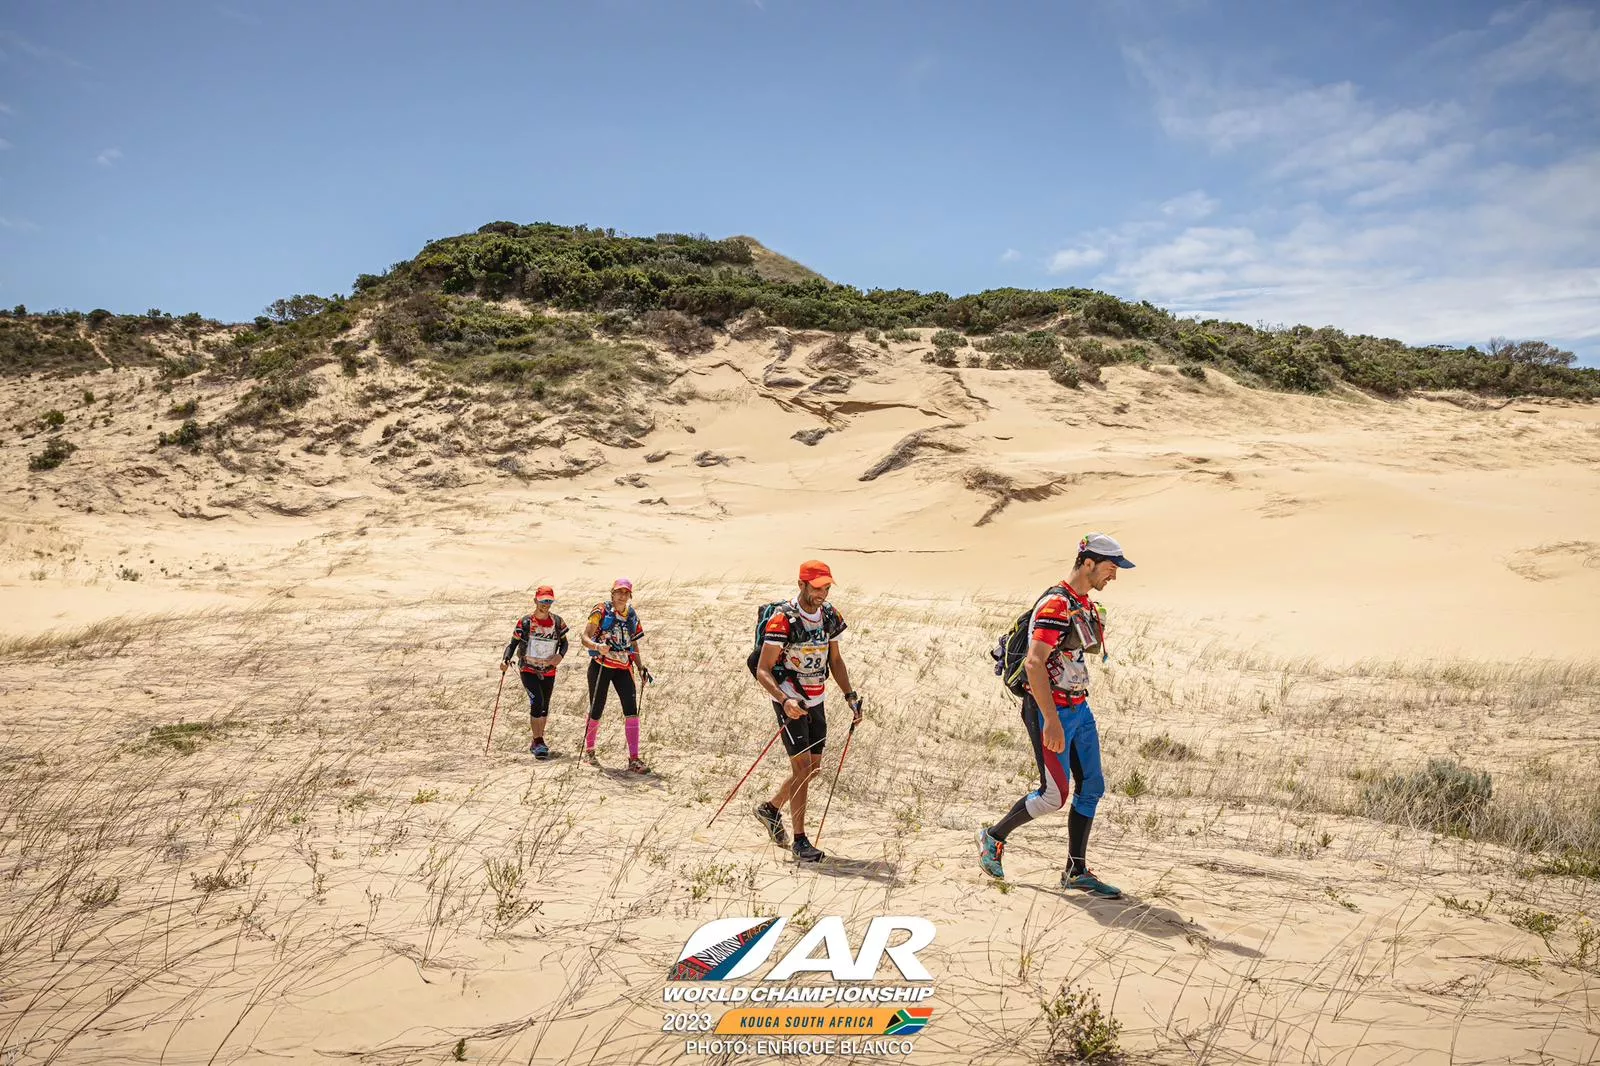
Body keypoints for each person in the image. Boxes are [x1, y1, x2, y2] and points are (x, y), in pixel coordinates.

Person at [977, 533, 1134, 899]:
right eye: (1111, 568)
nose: (1114, 577)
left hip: (1079, 707)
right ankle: (994, 837)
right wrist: (1049, 719)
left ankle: (1076, 870)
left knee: (1091, 787)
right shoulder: (1055, 605)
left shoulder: (1082, 603)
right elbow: (1034, 663)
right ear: (1089, 563)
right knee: (1053, 795)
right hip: (1053, 710)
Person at [751, 560, 863, 863]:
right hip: (790, 702)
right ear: (801, 584)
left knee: (813, 769)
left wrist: (849, 695)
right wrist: (784, 700)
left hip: (817, 698)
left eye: (826, 587)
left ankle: (770, 809)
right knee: (801, 769)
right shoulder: (782, 620)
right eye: (817, 587)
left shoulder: (829, 615)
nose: (822, 593)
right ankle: (800, 841)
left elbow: (836, 661)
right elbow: (763, 669)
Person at [580, 578, 652, 772]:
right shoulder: (600, 610)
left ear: (630, 596)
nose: (622, 595)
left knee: (631, 711)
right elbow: (584, 637)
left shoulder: (632, 615)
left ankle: (634, 758)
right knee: (597, 708)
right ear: (612, 593)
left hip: (623, 667)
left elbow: (634, 643)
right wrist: (597, 647)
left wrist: (640, 666)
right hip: (601, 665)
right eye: (619, 592)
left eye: (626, 593)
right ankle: (590, 751)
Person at [501, 586, 569, 760]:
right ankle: (538, 741)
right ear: (535, 600)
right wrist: (505, 659)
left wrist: (560, 656)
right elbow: (513, 644)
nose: (545, 604)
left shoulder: (558, 622)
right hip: (528, 668)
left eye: (549, 601)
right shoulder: (525, 622)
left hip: (548, 670)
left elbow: (564, 643)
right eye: (543, 600)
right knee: (536, 701)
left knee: (545, 705)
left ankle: (537, 740)